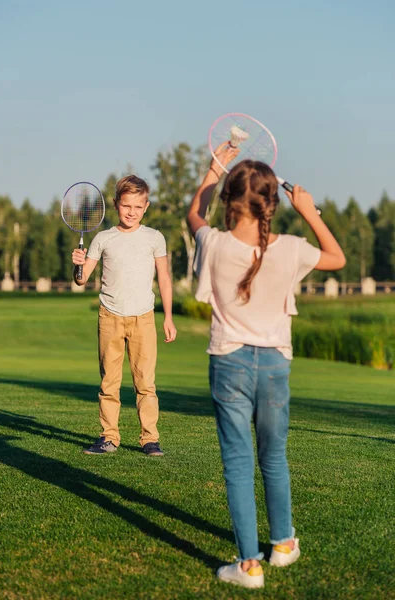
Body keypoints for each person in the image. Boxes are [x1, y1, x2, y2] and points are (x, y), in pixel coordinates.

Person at [187, 144, 346, 588]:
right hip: (275, 365)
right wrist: (310, 211)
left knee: (238, 463)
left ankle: (249, 566)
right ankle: (282, 545)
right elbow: (337, 258)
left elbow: (193, 213)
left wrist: (214, 168)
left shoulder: (213, 243)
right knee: (273, 457)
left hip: (229, 363)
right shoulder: (293, 249)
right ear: (271, 204)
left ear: (230, 202)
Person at [72, 175, 176, 457]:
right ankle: (109, 437)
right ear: (117, 204)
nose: (132, 212)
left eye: (138, 207)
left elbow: (164, 278)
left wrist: (168, 316)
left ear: (147, 206)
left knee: (146, 383)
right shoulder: (104, 238)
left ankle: (150, 439)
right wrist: (78, 266)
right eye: (126, 205)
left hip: (143, 317)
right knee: (109, 382)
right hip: (110, 316)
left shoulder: (155, 238)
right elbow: (82, 280)